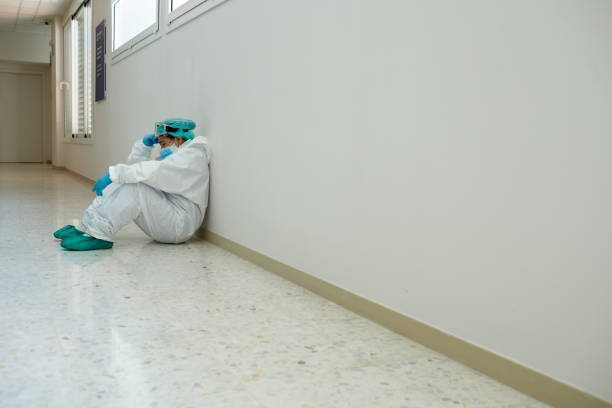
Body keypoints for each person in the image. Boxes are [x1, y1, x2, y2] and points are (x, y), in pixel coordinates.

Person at [53, 118, 210, 251]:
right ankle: (87, 227)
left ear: (178, 139)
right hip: (169, 216)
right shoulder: (178, 157)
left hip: (179, 225)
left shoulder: (192, 157)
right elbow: (137, 170)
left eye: (162, 143)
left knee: (134, 184)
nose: (161, 148)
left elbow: (150, 171)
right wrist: (143, 146)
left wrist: (114, 173)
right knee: (126, 179)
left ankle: (100, 235)